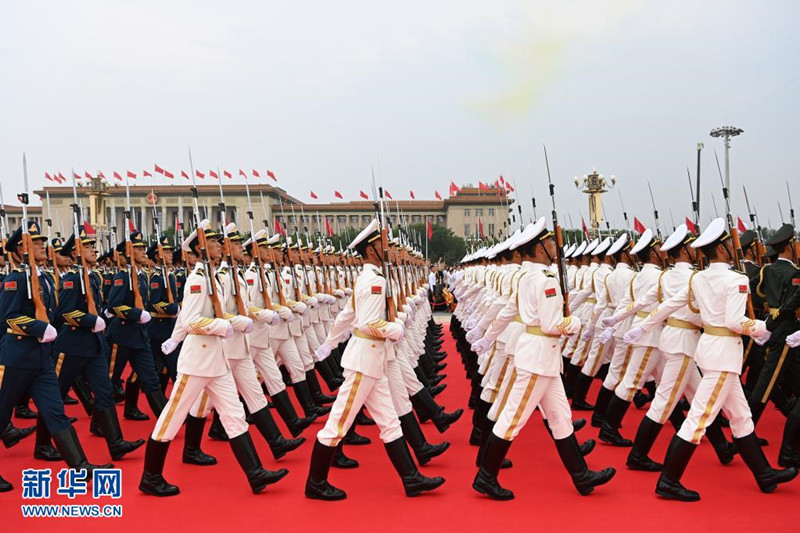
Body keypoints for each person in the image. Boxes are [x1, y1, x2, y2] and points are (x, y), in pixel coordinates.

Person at [625, 218, 797, 501]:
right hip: (722, 355)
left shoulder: (698, 277)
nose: (734, 246)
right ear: (722, 248)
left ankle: (765, 475)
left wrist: (643, 326)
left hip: (711, 349)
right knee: (698, 419)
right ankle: (668, 480)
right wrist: (760, 328)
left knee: (741, 416)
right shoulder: (736, 279)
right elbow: (733, 321)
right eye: (730, 243)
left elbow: (670, 304)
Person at [139, 220, 288, 496]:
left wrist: (236, 321)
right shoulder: (197, 279)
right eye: (213, 241)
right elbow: (193, 318)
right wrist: (212, 328)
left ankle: (255, 474)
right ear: (200, 247)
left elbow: (206, 315)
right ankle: (150, 476)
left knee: (234, 415)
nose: (220, 245)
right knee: (172, 418)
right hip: (198, 361)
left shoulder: (214, 277)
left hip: (217, 360)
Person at [471, 219, 615, 500]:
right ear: (539, 248)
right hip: (538, 357)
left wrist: (488, 335)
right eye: (549, 243)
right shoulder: (545, 280)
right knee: (512, 418)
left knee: (561, 418)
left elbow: (509, 310)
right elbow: (552, 325)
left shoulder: (527, 278)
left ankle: (581, 476)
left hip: (544, 359)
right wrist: (574, 324)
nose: (553, 247)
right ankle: (485, 477)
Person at [307, 219, 445, 500]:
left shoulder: (368, 278)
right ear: (371, 250)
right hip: (364, 361)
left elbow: (347, 314)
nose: (386, 248)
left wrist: (330, 343)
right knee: (338, 422)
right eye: (382, 244)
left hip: (373, 361)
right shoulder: (374, 281)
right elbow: (369, 323)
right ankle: (315, 482)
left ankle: (411, 479)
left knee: (389, 422)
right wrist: (393, 329)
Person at [0, 222, 112, 492]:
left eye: (42, 242)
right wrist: (40, 328)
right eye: (36, 244)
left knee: (55, 412)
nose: (42, 247)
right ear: (21, 249)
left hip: (41, 358)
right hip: (17, 358)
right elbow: (8, 318)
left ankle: (80, 466)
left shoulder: (46, 278)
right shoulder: (16, 279)